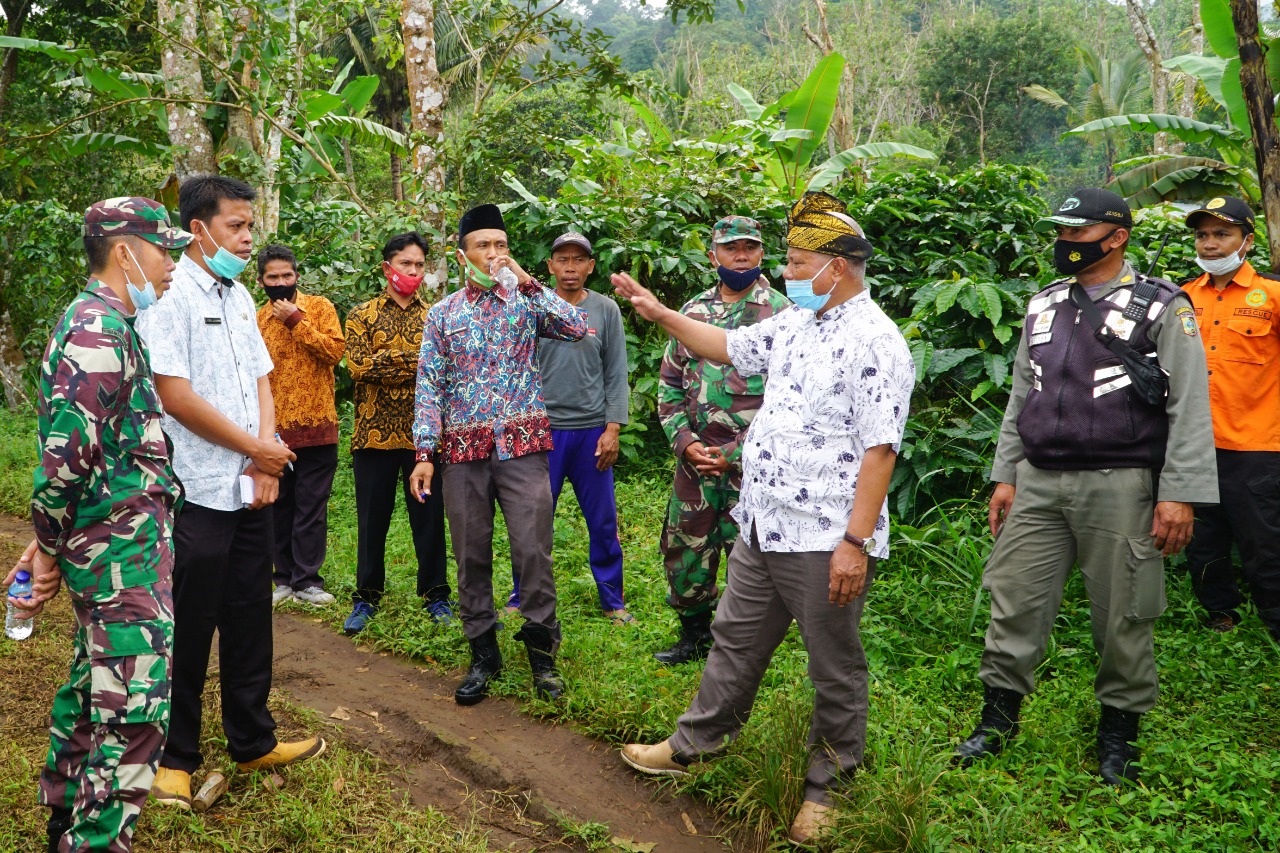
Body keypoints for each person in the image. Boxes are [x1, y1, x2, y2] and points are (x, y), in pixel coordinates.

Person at [615, 192, 914, 846]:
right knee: (734, 636)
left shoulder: (874, 340)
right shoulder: (795, 323)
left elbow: (880, 448)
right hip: (761, 522)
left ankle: (827, 786)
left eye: (797, 260)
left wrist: (853, 543)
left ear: (837, 266)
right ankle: (695, 742)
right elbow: (725, 346)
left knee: (833, 663)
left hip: (824, 536)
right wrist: (661, 312)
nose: (786, 271)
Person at [953, 188, 1218, 786]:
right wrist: (1005, 474)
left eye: (1077, 233)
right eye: (1062, 233)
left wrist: (1178, 494)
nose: (1064, 243)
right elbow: (1023, 393)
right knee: (1014, 600)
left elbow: (1190, 406)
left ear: (1116, 236)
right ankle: (997, 720)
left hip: (1120, 484)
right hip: (1038, 481)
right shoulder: (1043, 304)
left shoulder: (1162, 306)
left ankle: (1117, 735)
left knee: (1125, 610)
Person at [5, 197, 189, 853]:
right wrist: (49, 548)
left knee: (94, 684)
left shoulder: (102, 321)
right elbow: (62, 463)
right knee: (133, 707)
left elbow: (85, 456)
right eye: (164, 249)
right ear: (125, 251)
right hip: (118, 558)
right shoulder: (98, 331)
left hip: (116, 547)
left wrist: (50, 540)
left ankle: (65, 821)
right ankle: (95, 839)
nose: (172, 264)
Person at [138, 175, 324, 811]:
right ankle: (174, 758)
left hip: (249, 484)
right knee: (188, 624)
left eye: (251, 226)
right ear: (198, 229)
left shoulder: (242, 294)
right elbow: (175, 395)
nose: (248, 238)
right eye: (235, 227)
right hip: (194, 488)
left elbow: (259, 381)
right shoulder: (170, 295)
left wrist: (266, 459)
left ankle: (252, 738)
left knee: (250, 614)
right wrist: (256, 449)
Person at [410, 204, 587, 705]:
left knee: (532, 549)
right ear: (462, 254)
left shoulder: (526, 302)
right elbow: (430, 385)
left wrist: (526, 279)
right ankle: (483, 653)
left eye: (501, 245)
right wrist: (425, 451)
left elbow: (575, 326)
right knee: (470, 554)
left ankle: (542, 657)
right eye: (484, 246)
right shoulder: (443, 314)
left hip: (523, 448)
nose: (494, 255)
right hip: (462, 455)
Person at [652, 215, 792, 665]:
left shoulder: (785, 315)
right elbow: (669, 385)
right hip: (694, 463)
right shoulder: (691, 312)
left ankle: (744, 649)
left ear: (761, 253)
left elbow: (790, 400)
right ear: (713, 255)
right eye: (731, 248)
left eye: (750, 247)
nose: (741, 256)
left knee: (750, 556)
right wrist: (685, 443)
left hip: (752, 465)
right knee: (686, 548)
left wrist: (733, 454)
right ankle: (693, 635)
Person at [504, 231, 632, 625]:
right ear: (550, 267)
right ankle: (521, 594)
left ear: (591, 266)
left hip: (592, 433)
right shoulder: (533, 307)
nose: (571, 267)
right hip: (543, 434)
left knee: (603, 521)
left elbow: (615, 373)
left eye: (579, 259)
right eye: (563, 260)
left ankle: (613, 600)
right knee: (533, 518)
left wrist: (612, 429)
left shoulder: (605, 310)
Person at [342, 232, 453, 635]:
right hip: (372, 436)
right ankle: (367, 597)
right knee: (373, 521)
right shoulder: (361, 315)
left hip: (424, 438)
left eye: (420, 265)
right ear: (388, 267)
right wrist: (419, 361)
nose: (413, 272)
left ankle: (436, 596)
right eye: (406, 264)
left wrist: (388, 360)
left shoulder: (436, 316)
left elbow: (444, 371)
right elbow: (358, 366)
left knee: (429, 520)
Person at [1179, 197, 1280, 638]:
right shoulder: (1181, 296)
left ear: (1247, 241)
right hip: (1195, 444)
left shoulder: (1273, 294)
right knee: (1202, 541)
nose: (1211, 244)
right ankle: (1221, 614)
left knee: (1265, 542)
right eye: (1203, 235)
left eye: (1222, 234)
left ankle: (1275, 621)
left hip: (1257, 445)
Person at [256, 244, 345, 607]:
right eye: (272, 277)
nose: (280, 283)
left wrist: (296, 319)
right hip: (273, 432)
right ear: (261, 280)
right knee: (279, 506)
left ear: (296, 275)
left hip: (318, 425)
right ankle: (283, 580)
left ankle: (308, 580)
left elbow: (334, 352)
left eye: (286, 276)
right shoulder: (257, 318)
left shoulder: (320, 307)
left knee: (311, 507)